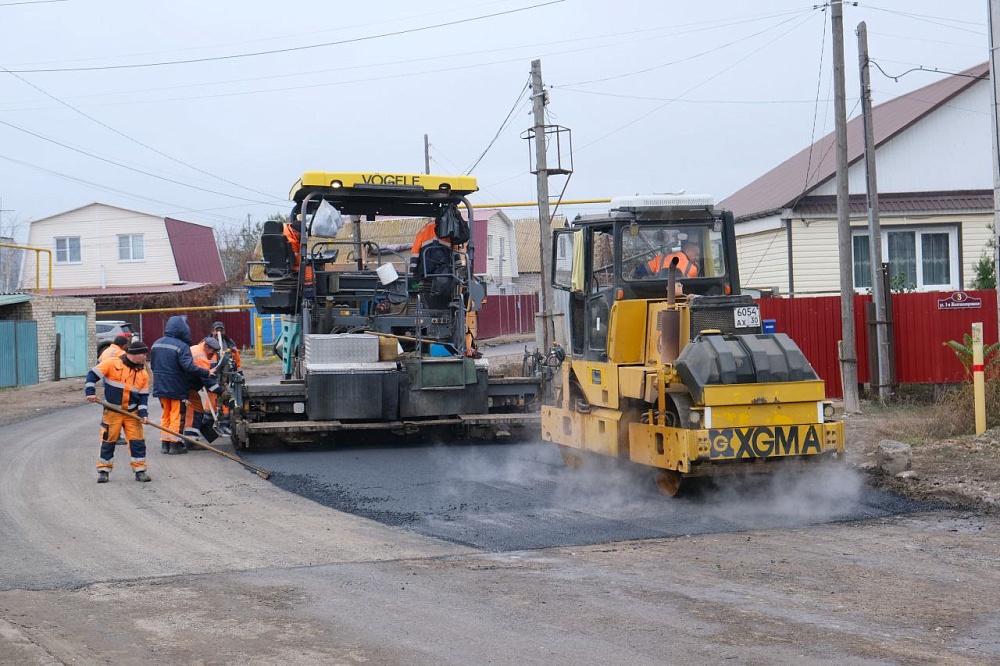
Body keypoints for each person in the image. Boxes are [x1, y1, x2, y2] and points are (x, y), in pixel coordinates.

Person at [85, 338, 152, 483]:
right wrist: (90, 391)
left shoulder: (143, 373)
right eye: (144, 354)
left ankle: (140, 470)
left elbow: (143, 396)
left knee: (137, 442)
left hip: (132, 414)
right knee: (108, 441)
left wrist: (143, 414)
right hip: (112, 412)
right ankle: (104, 470)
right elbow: (92, 375)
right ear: (135, 354)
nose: (146, 358)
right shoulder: (112, 364)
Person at [150, 315, 218, 455]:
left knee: (166, 415)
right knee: (177, 415)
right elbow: (188, 366)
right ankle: (175, 444)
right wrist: (206, 373)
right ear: (183, 330)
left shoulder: (156, 343)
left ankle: (165, 443)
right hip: (176, 386)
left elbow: (153, 365)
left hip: (160, 385)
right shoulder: (181, 346)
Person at [181, 336, 222, 443]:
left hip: (184, 385)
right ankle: (191, 441)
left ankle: (189, 439)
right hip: (188, 387)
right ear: (207, 347)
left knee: (193, 411)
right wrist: (221, 391)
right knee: (196, 411)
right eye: (212, 352)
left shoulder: (195, 348)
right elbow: (207, 381)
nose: (212, 355)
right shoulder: (201, 358)